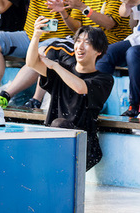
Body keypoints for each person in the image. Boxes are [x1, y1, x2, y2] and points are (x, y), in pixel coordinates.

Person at [26, 19, 113, 170]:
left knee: (59, 125)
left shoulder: (104, 79)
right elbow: (32, 63)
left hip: (84, 146)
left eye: (87, 42)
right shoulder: (63, 70)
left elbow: (80, 87)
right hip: (55, 140)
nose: (80, 46)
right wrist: (36, 36)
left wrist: (55, 66)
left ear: (98, 51)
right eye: (78, 41)